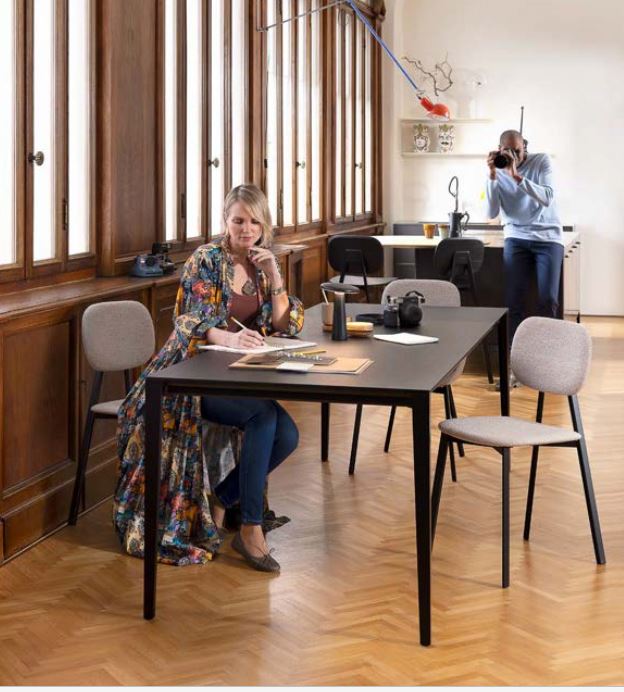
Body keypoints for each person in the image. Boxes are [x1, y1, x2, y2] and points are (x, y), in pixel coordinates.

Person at [114, 184, 304, 572]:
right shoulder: (206, 259)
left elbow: (285, 322)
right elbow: (188, 319)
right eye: (238, 221)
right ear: (225, 221)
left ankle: (220, 499)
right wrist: (230, 338)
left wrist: (274, 274)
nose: (246, 229)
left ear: (264, 224)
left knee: (288, 434)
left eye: (254, 222)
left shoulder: (262, 263)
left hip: (236, 373)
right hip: (189, 374)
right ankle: (250, 529)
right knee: (263, 417)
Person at [486, 130, 564, 385]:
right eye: (509, 151)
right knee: (513, 301)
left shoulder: (541, 161)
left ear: (525, 147)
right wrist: (492, 176)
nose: (514, 155)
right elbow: (491, 212)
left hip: (548, 237)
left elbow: (548, 197)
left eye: (518, 151)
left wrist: (516, 176)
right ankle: (514, 368)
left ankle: (546, 364)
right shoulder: (497, 169)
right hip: (516, 236)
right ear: (500, 149)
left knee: (548, 300)